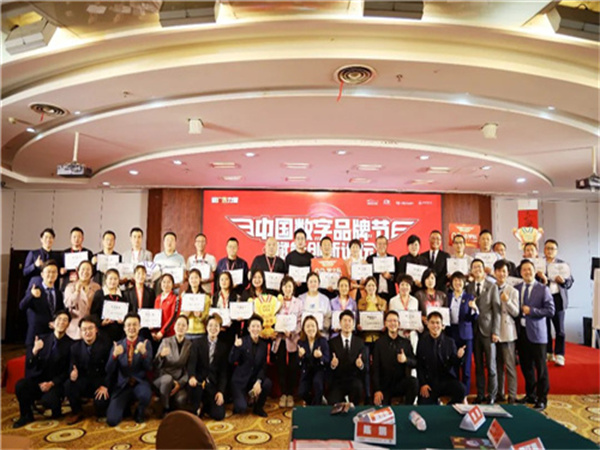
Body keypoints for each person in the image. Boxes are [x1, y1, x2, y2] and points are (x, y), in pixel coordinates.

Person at [13, 310, 74, 428]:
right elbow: (30, 365)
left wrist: (51, 383)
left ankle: (56, 408)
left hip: (56, 384)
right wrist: (35, 351)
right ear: (53, 323)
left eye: (65, 320)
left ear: (68, 325)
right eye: (59, 319)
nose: (61, 322)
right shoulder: (41, 340)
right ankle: (26, 415)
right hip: (39, 380)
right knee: (21, 385)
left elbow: (67, 371)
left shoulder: (71, 344)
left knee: (49, 402)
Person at [515, 260, 555, 411]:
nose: (527, 272)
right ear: (520, 273)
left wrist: (532, 311)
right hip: (522, 334)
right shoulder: (517, 288)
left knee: (541, 368)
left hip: (538, 334)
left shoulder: (543, 289)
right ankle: (530, 395)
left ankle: (542, 399)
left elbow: (550, 310)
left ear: (534, 270)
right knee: (526, 366)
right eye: (524, 270)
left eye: (529, 269)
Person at [105, 313, 153, 426]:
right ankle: (126, 406)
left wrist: (144, 354)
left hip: (139, 383)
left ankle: (139, 411)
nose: (132, 328)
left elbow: (149, 367)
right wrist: (114, 356)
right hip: (122, 385)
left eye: (135, 325)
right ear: (124, 328)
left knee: (145, 395)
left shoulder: (145, 343)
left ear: (139, 327)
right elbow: (108, 369)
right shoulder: (118, 345)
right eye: (129, 325)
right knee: (112, 420)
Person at [64, 316, 111, 424]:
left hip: (100, 382)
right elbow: (72, 366)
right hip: (84, 381)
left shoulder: (105, 345)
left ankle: (101, 409)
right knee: (69, 384)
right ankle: (77, 411)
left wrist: (106, 385)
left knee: (101, 405)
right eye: (84, 329)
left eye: (90, 328)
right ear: (80, 331)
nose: (87, 332)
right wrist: (72, 374)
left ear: (96, 330)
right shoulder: (75, 347)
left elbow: (110, 369)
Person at [466, 258, 500, 404]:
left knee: (491, 366)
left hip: (488, 330)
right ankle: (480, 394)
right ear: (471, 271)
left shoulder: (492, 287)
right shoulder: (468, 287)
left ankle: (492, 395)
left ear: (484, 269)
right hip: (474, 331)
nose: (477, 269)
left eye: (480, 267)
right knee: (479, 366)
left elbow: (497, 311)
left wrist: (496, 331)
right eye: (474, 267)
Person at [417, 311, 466, 405]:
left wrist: (459, 357)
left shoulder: (450, 342)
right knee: (424, 405)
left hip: (446, 380)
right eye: (432, 323)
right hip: (429, 383)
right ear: (427, 325)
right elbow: (419, 365)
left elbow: (455, 363)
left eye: (437, 323)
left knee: (461, 389)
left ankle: (447, 408)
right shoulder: (422, 342)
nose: (435, 326)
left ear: (442, 326)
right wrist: (423, 384)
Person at [229, 314, 273, 417]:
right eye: (253, 326)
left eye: (258, 326)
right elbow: (231, 360)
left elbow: (263, 366)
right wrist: (236, 347)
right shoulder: (241, 341)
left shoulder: (264, 345)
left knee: (267, 383)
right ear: (248, 328)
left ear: (261, 328)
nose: (255, 329)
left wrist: (258, 381)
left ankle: (258, 407)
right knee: (242, 408)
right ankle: (243, 399)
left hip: (253, 379)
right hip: (240, 381)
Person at [538, 239, 573, 366]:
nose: (549, 251)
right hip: (543, 299)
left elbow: (570, 282)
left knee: (560, 329)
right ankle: (548, 352)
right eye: (547, 248)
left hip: (558, 298)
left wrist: (563, 281)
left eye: (552, 248)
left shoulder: (563, 265)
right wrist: (540, 277)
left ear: (556, 251)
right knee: (545, 328)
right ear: (544, 250)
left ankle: (560, 354)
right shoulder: (539, 264)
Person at [372, 310, 418, 406]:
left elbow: (415, 362)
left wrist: (406, 360)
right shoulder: (379, 343)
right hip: (384, 386)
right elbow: (375, 368)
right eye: (390, 321)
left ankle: (407, 409)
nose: (392, 323)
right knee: (381, 408)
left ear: (399, 324)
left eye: (395, 321)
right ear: (385, 323)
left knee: (413, 382)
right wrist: (377, 390)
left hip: (400, 383)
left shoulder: (405, 343)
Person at [187, 314, 228, 420]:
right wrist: (192, 376)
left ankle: (205, 406)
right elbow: (192, 363)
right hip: (198, 383)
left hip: (213, 385)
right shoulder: (197, 343)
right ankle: (198, 405)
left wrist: (220, 391)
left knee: (219, 415)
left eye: (216, 326)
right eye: (210, 325)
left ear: (220, 328)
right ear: (206, 327)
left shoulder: (223, 347)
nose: (213, 328)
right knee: (193, 414)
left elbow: (223, 373)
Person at [446, 271, 478, 395]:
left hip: (465, 335)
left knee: (466, 368)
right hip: (451, 333)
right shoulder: (448, 296)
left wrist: (474, 308)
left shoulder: (469, 297)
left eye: (460, 280)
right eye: (455, 280)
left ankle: (465, 395)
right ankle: (455, 394)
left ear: (464, 283)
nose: (457, 283)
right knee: (453, 366)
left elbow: (473, 318)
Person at [273, 276, 302, 408]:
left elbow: (300, 321)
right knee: (280, 367)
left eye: (290, 286)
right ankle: (283, 394)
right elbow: (271, 318)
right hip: (280, 339)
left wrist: (293, 332)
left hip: (293, 339)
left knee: (293, 367)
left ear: (293, 288)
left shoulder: (299, 302)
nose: (287, 289)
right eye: (285, 286)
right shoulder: (276, 302)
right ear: (281, 288)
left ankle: (290, 394)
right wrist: (275, 330)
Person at [20, 260, 64, 347]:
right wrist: (31, 295)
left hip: (52, 336)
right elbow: (22, 306)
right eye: (48, 272)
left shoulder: (58, 293)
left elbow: (59, 311)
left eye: (54, 272)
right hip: (36, 335)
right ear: (42, 274)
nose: (51, 274)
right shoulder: (35, 289)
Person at [154, 315, 192, 416]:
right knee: (167, 379)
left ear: (187, 328)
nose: (180, 327)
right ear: (174, 327)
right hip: (163, 379)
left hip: (178, 381)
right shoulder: (166, 341)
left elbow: (188, 368)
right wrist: (161, 356)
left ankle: (170, 404)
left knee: (181, 399)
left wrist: (180, 383)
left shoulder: (189, 345)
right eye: (178, 324)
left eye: (183, 325)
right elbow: (155, 364)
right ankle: (165, 408)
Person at [493, 260, 520, 404]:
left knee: (509, 366)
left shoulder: (513, 291)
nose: (501, 274)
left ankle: (512, 395)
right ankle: (500, 393)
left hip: (507, 332)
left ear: (508, 273)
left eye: (504, 271)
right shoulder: (490, 288)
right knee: (497, 365)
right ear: (494, 272)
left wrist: (507, 301)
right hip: (494, 332)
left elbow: (516, 312)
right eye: (498, 271)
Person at [327, 310, 367, 405]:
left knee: (358, 387)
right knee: (333, 402)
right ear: (340, 323)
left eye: (349, 321)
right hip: (338, 381)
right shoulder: (332, 343)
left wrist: (360, 365)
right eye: (344, 320)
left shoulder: (360, 342)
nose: (347, 323)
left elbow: (365, 367)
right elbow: (327, 366)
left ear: (353, 324)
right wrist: (332, 365)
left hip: (353, 379)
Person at [91, 268, 131, 343]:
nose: (113, 281)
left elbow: (128, 311)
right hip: (103, 332)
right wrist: (101, 322)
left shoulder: (123, 295)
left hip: (120, 332)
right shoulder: (100, 293)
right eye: (110, 279)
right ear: (106, 280)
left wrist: (124, 321)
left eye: (115, 279)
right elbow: (94, 312)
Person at [63, 260, 101, 340]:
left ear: (92, 272)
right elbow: (68, 304)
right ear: (78, 271)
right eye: (83, 269)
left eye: (88, 269)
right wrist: (77, 292)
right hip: (75, 326)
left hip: (91, 326)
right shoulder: (70, 286)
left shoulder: (96, 287)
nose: (85, 272)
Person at [297, 315, 330, 406]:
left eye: (313, 326)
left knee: (317, 383)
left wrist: (320, 356)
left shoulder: (322, 341)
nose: (310, 328)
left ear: (317, 327)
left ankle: (318, 405)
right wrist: (300, 356)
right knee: (302, 392)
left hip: (319, 370)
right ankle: (312, 403)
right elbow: (298, 362)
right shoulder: (301, 342)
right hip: (307, 371)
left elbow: (327, 359)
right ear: (304, 329)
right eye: (308, 326)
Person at [389, 274, 422, 352]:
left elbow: (416, 318)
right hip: (398, 331)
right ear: (398, 286)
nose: (404, 287)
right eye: (402, 284)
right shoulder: (393, 301)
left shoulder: (415, 301)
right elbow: (391, 318)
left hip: (412, 332)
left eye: (407, 285)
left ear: (410, 288)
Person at [59, 227, 94, 291]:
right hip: (67, 284)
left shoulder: (88, 253)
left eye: (79, 237)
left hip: (84, 286)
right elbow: (58, 271)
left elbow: (92, 271)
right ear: (70, 239)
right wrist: (61, 271)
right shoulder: (64, 253)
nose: (76, 239)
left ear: (82, 239)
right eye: (74, 237)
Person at [212, 271, 241, 349]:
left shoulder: (236, 296)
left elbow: (238, 312)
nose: (224, 281)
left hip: (231, 329)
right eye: (222, 279)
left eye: (226, 279)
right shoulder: (214, 297)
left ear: (230, 281)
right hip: (217, 329)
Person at [299, 272, 332, 338]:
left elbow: (328, 317)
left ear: (319, 284)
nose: (313, 284)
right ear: (307, 284)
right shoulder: (300, 298)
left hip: (321, 334)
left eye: (315, 281)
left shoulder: (325, 299)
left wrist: (322, 328)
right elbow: (298, 317)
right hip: (304, 335)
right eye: (311, 282)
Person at [181, 268, 211, 340]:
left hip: (200, 331)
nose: (194, 280)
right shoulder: (184, 296)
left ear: (200, 279)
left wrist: (200, 315)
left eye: (196, 278)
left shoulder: (206, 297)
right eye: (191, 278)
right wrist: (184, 315)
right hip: (186, 330)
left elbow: (207, 315)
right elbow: (179, 313)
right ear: (188, 280)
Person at [367, 235, 398, 301]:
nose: (381, 246)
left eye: (384, 244)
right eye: (379, 244)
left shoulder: (393, 259)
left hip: (390, 293)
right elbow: (368, 276)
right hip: (375, 293)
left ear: (387, 245)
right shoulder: (370, 259)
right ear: (376, 245)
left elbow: (397, 277)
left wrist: (390, 277)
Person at [285, 228, 314, 296]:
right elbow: (286, 274)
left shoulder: (310, 257)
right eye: (298, 239)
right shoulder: (289, 257)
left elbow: (313, 274)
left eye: (302, 238)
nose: (300, 241)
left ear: (305, 241)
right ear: (294, 241)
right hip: (292, 291)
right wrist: (293, 281)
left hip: (307, 291)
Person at [153, 273, 181, 341]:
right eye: (164, 282)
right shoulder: (158, 298)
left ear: (172, 284)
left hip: (169, 334)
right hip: (157, 334)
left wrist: (162, 332)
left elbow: (173, 317)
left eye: (169, 282)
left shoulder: (176, 298)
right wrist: (153, 331)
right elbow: (155, 316)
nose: (166, 284)